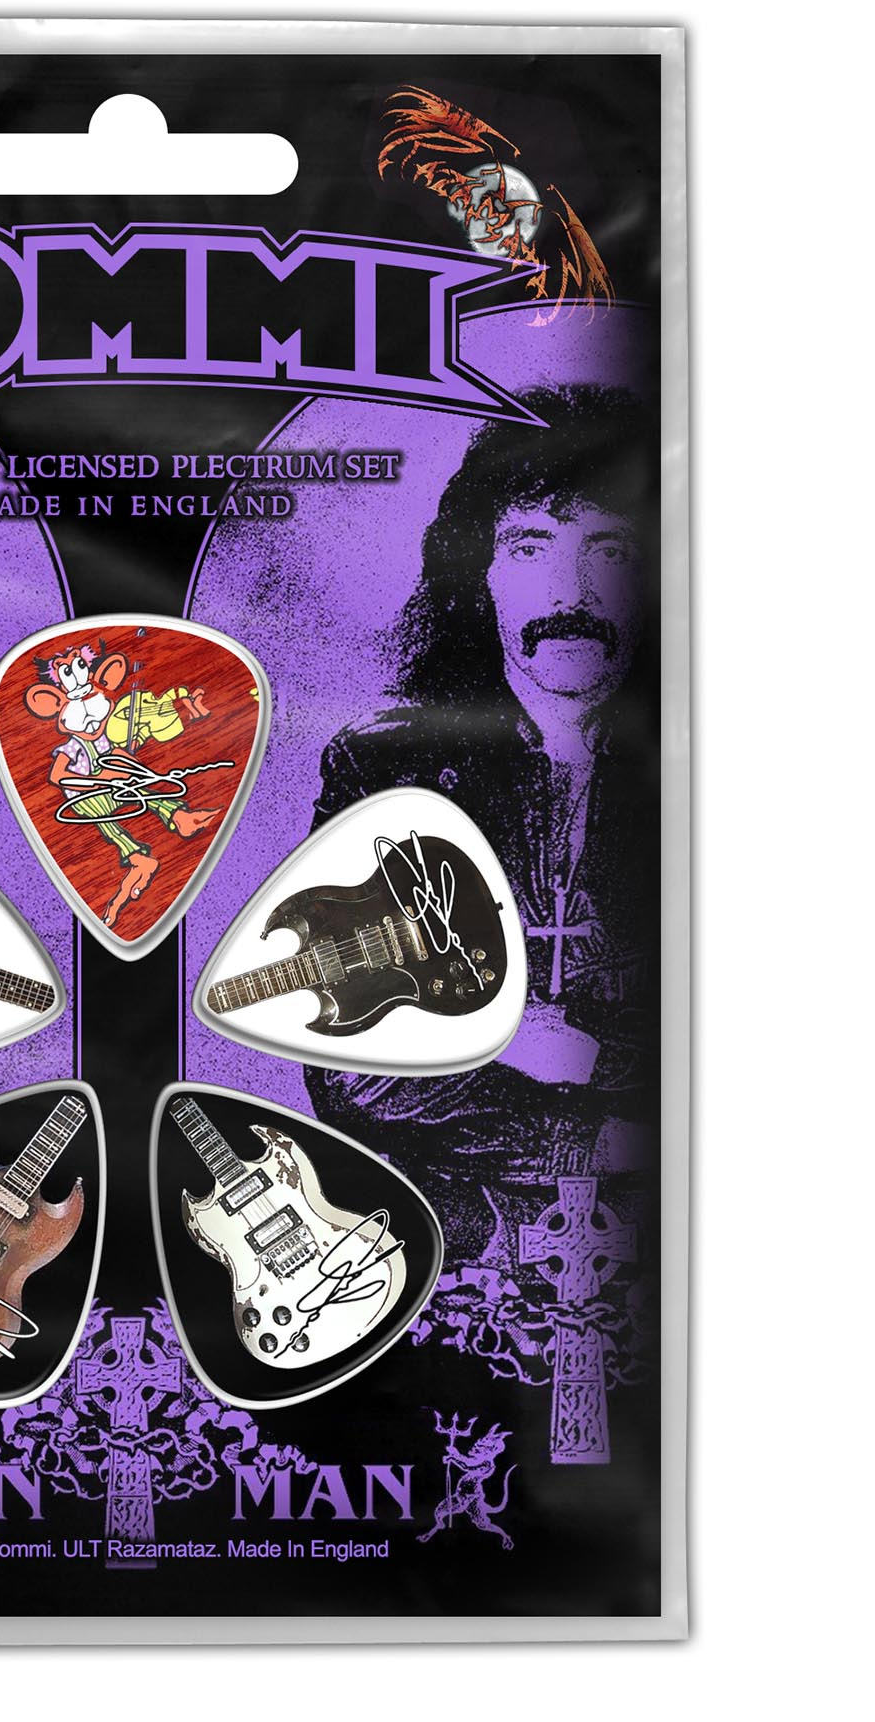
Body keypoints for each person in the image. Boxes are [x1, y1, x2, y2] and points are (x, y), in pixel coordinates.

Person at [307, 383, 658, 1267]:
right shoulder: (385, 767)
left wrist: (565, 1055)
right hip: (463, 1231)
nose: (571, 593)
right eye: (530, 548)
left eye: (612, 550)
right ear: (477, 575)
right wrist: (596, 1130)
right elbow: (354, 1060)